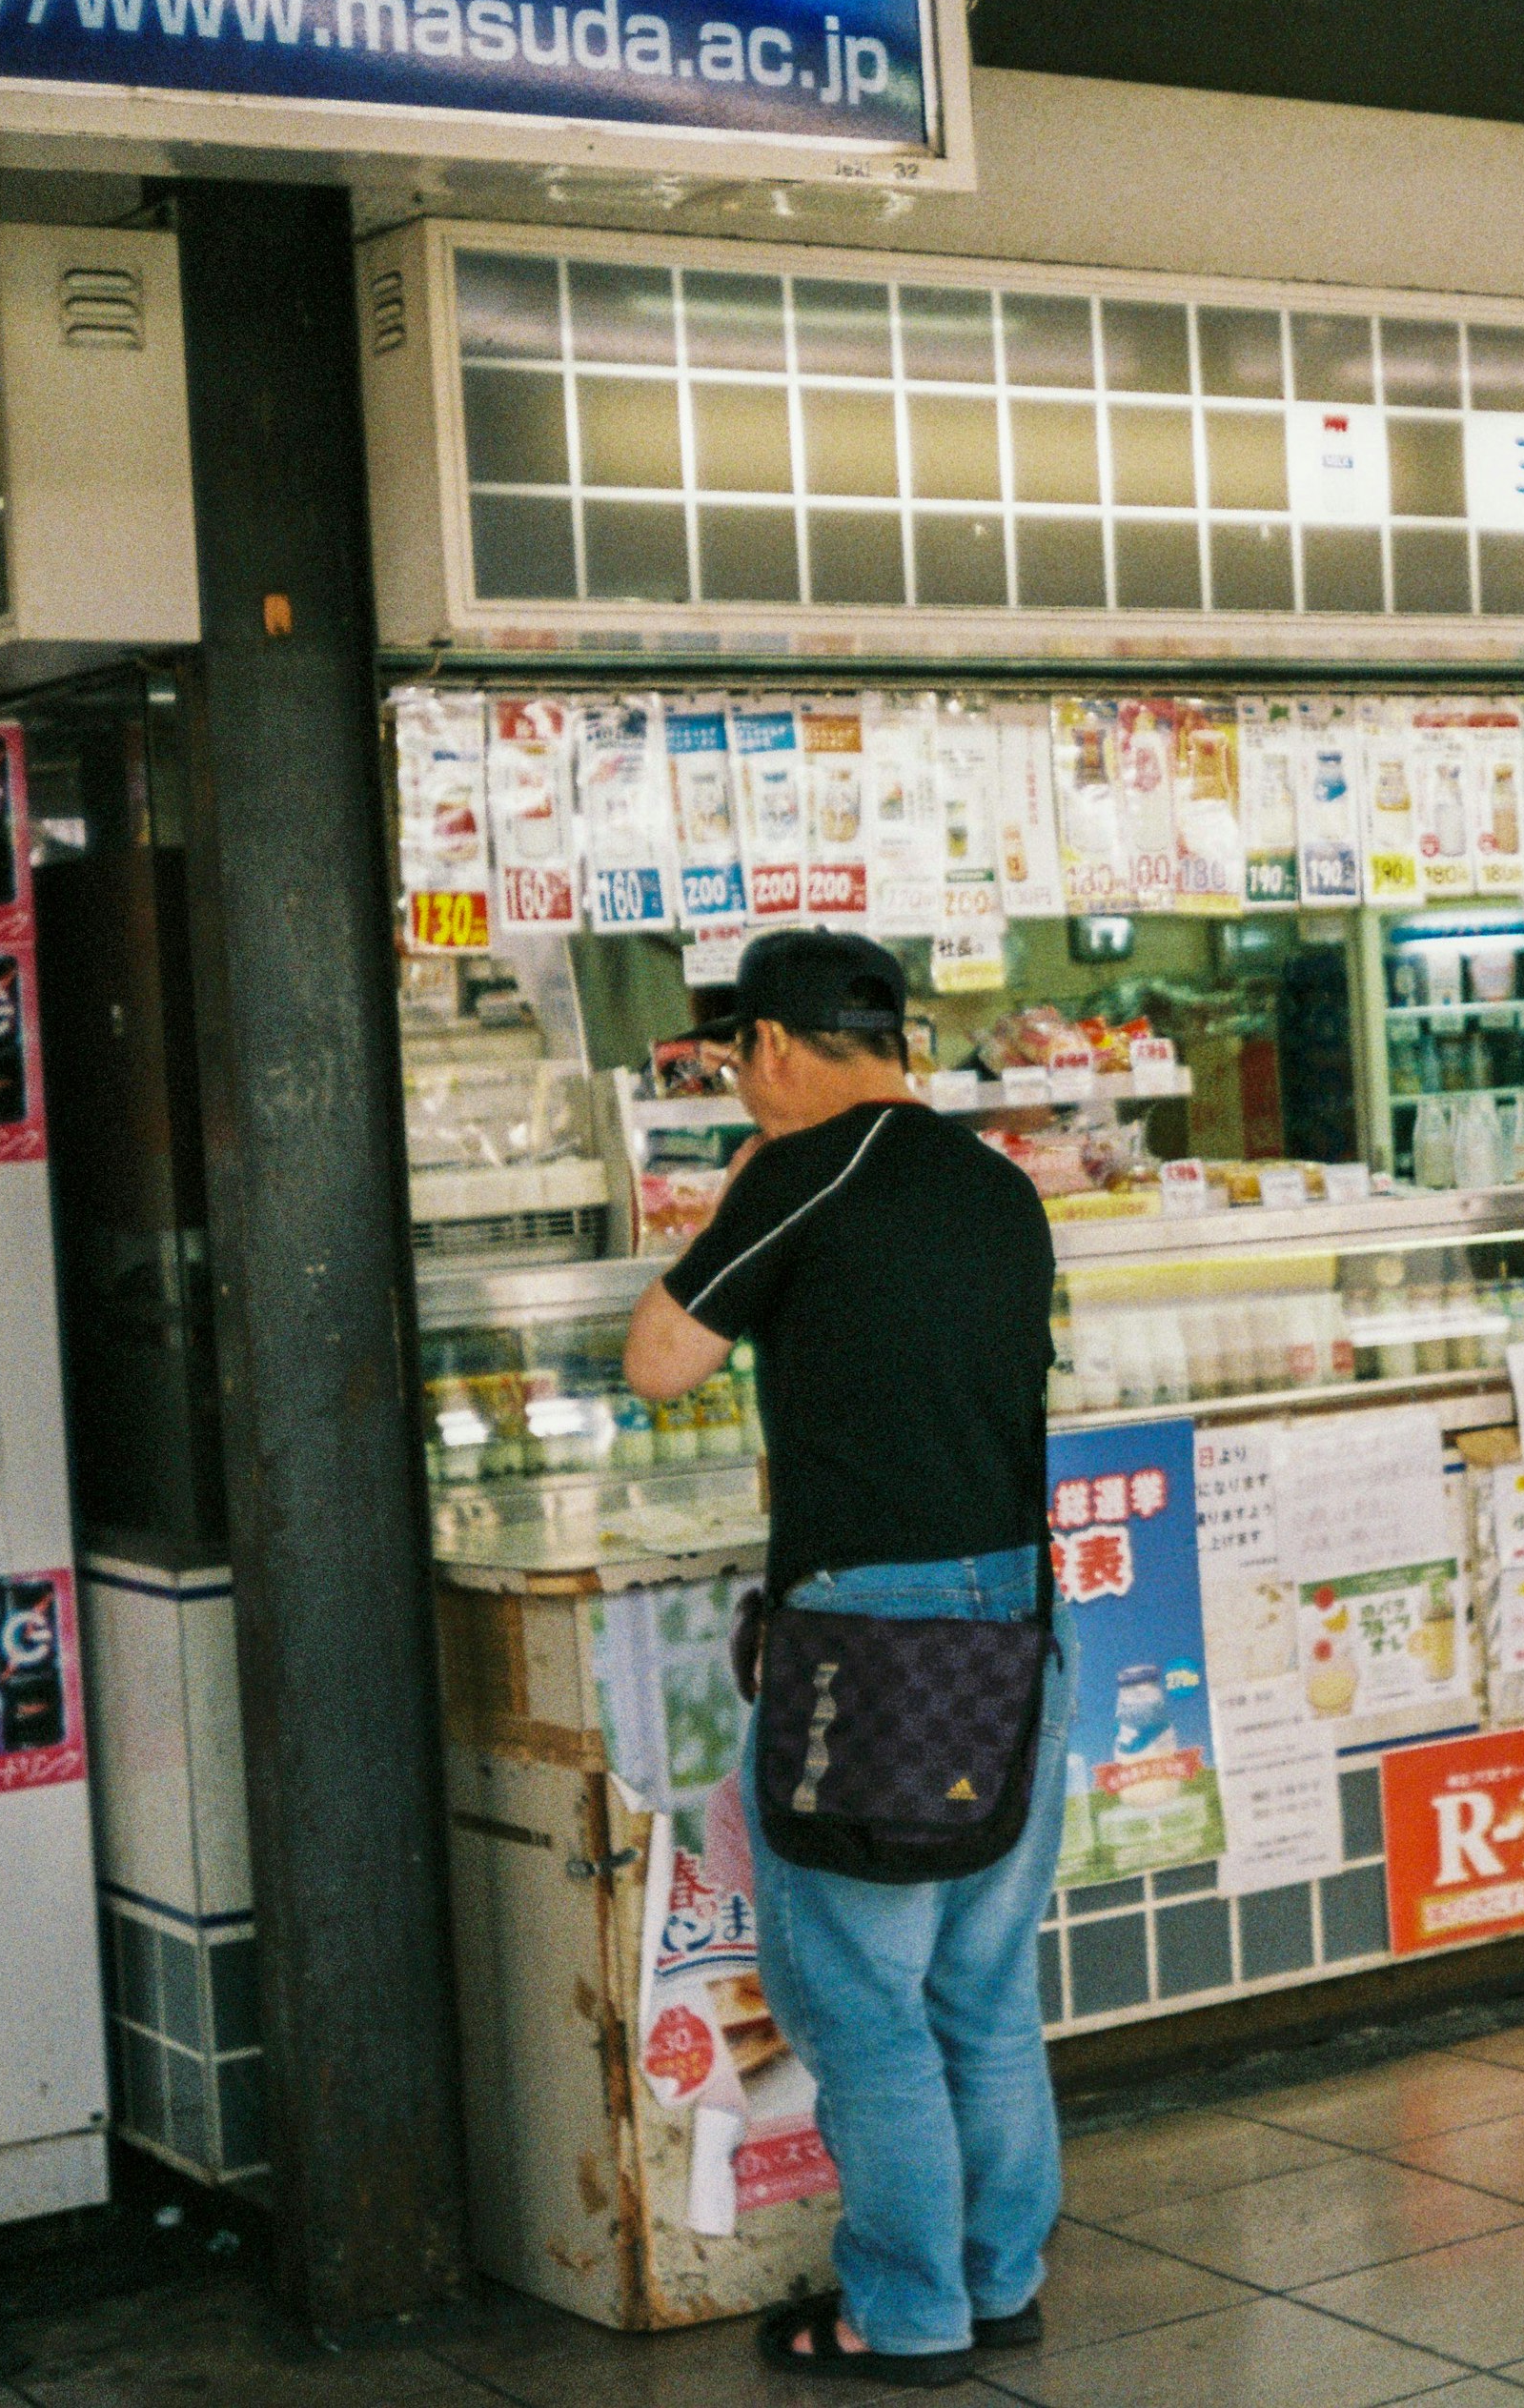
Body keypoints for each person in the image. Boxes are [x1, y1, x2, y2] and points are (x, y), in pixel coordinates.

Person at [622, 929, 1068, 2389]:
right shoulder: (999, 1185)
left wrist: (745, 1193)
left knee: (859, 2001)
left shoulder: (806, 1172)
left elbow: (659, 1364)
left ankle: (908, 2311)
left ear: (770, 1048)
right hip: (1017, 1625)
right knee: (986, 1993)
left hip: (870, 1650)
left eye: (736, 1054)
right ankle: (1000, 2283)